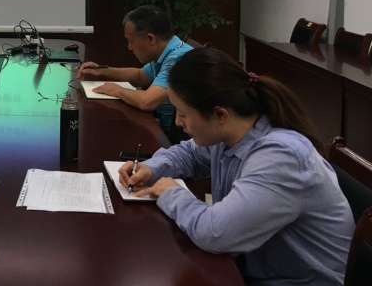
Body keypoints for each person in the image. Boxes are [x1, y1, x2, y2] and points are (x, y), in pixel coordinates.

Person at [120, 47, 354, 286]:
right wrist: (152, 168)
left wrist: (171, 193)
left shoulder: (280, 157)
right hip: (252, 269)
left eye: (183, 114)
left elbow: (215, 233)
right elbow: (189, 153)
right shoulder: (231, 132)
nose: (178, 122)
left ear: (220, 115)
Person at [76, 5, 192, 137]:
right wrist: (102, 70)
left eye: (130, 41)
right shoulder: (167, 52)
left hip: (177, 140)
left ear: (150, 39)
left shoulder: (177, 59)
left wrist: (117, 90)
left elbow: (147, 101)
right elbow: (140, 76)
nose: (129, 47)